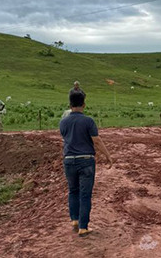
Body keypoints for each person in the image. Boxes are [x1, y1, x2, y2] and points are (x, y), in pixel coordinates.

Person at [60, 89, 113, 237]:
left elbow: (65, 138)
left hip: (69, 160)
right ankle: (84, 227)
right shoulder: (88, 121)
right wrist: (107, 155)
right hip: (86, 161)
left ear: (70, 105)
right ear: (84, 105)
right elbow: (96, 140)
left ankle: (74, 220)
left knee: (73, 190)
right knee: (85, 194)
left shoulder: (63, 122)